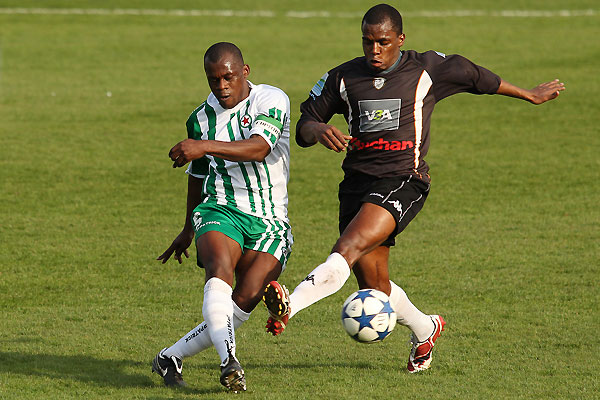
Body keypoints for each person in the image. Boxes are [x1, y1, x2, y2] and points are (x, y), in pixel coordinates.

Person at [262, 3, 564, 373]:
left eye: (383, 42)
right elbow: (304, 124)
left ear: (400, 40)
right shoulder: (342, 78)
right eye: (368, 42)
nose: (374, 50)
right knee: (374, 285)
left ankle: (291, 303)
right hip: (356, 186)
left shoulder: (428, 68)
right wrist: (319, 130)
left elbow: (479, 79)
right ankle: (425, 329)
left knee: (347, 248)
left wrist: (529, 94)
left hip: (405, 180)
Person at [151, 42, 293, 392]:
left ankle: (169, 356)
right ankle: (229, 360)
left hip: (271, 219)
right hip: (220, 208)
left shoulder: (271, 99)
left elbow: (260, 148)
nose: (222, 86)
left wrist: (204, 146)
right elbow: (198, 176)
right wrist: (188, 227)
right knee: (219, 271)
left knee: (243, 300)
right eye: (214, 80)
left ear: (245, 72)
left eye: (228, 77)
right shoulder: (200, 119)